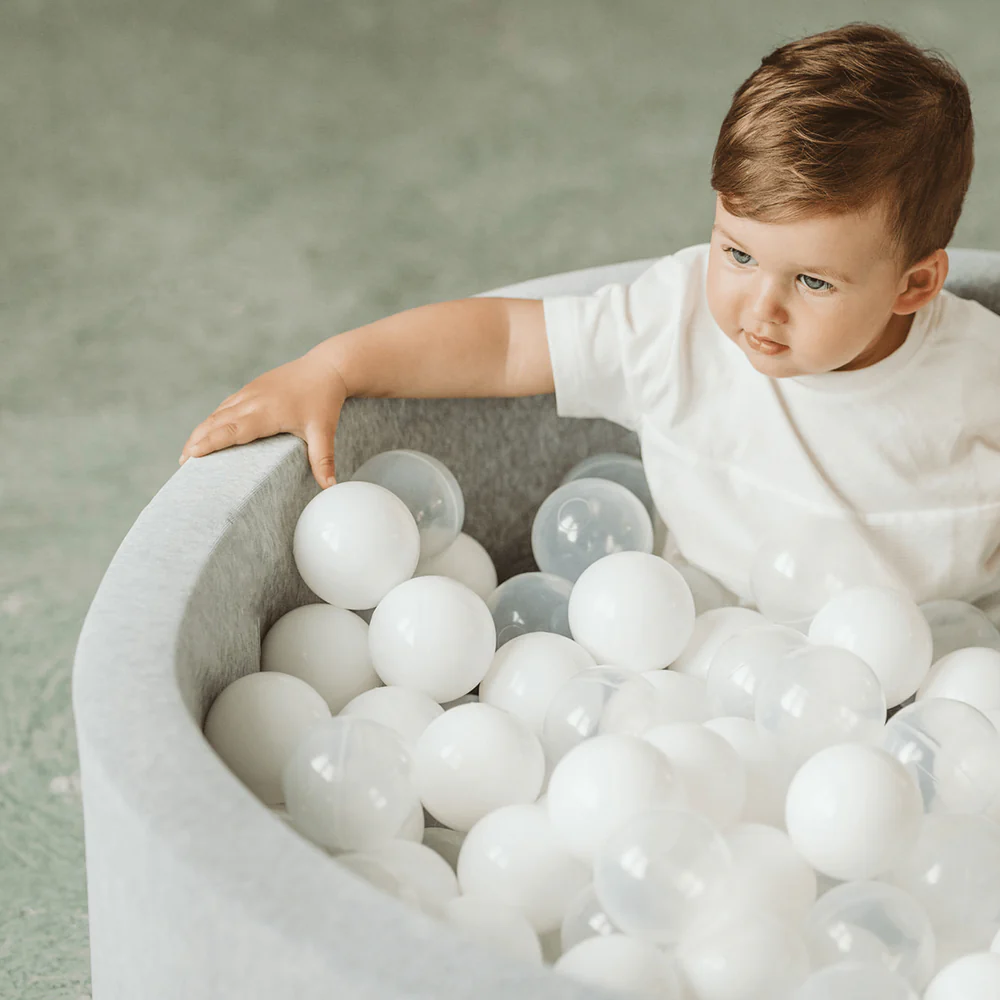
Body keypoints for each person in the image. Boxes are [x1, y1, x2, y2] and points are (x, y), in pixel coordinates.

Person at [178, 21, 1000, 610]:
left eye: (813, 282)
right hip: (695, 642)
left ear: (915, 284)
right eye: (738, 253)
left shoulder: (976, 376)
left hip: (933, 678)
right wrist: (334, 366)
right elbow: (506, 342)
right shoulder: (674, 324)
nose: (760, 308)